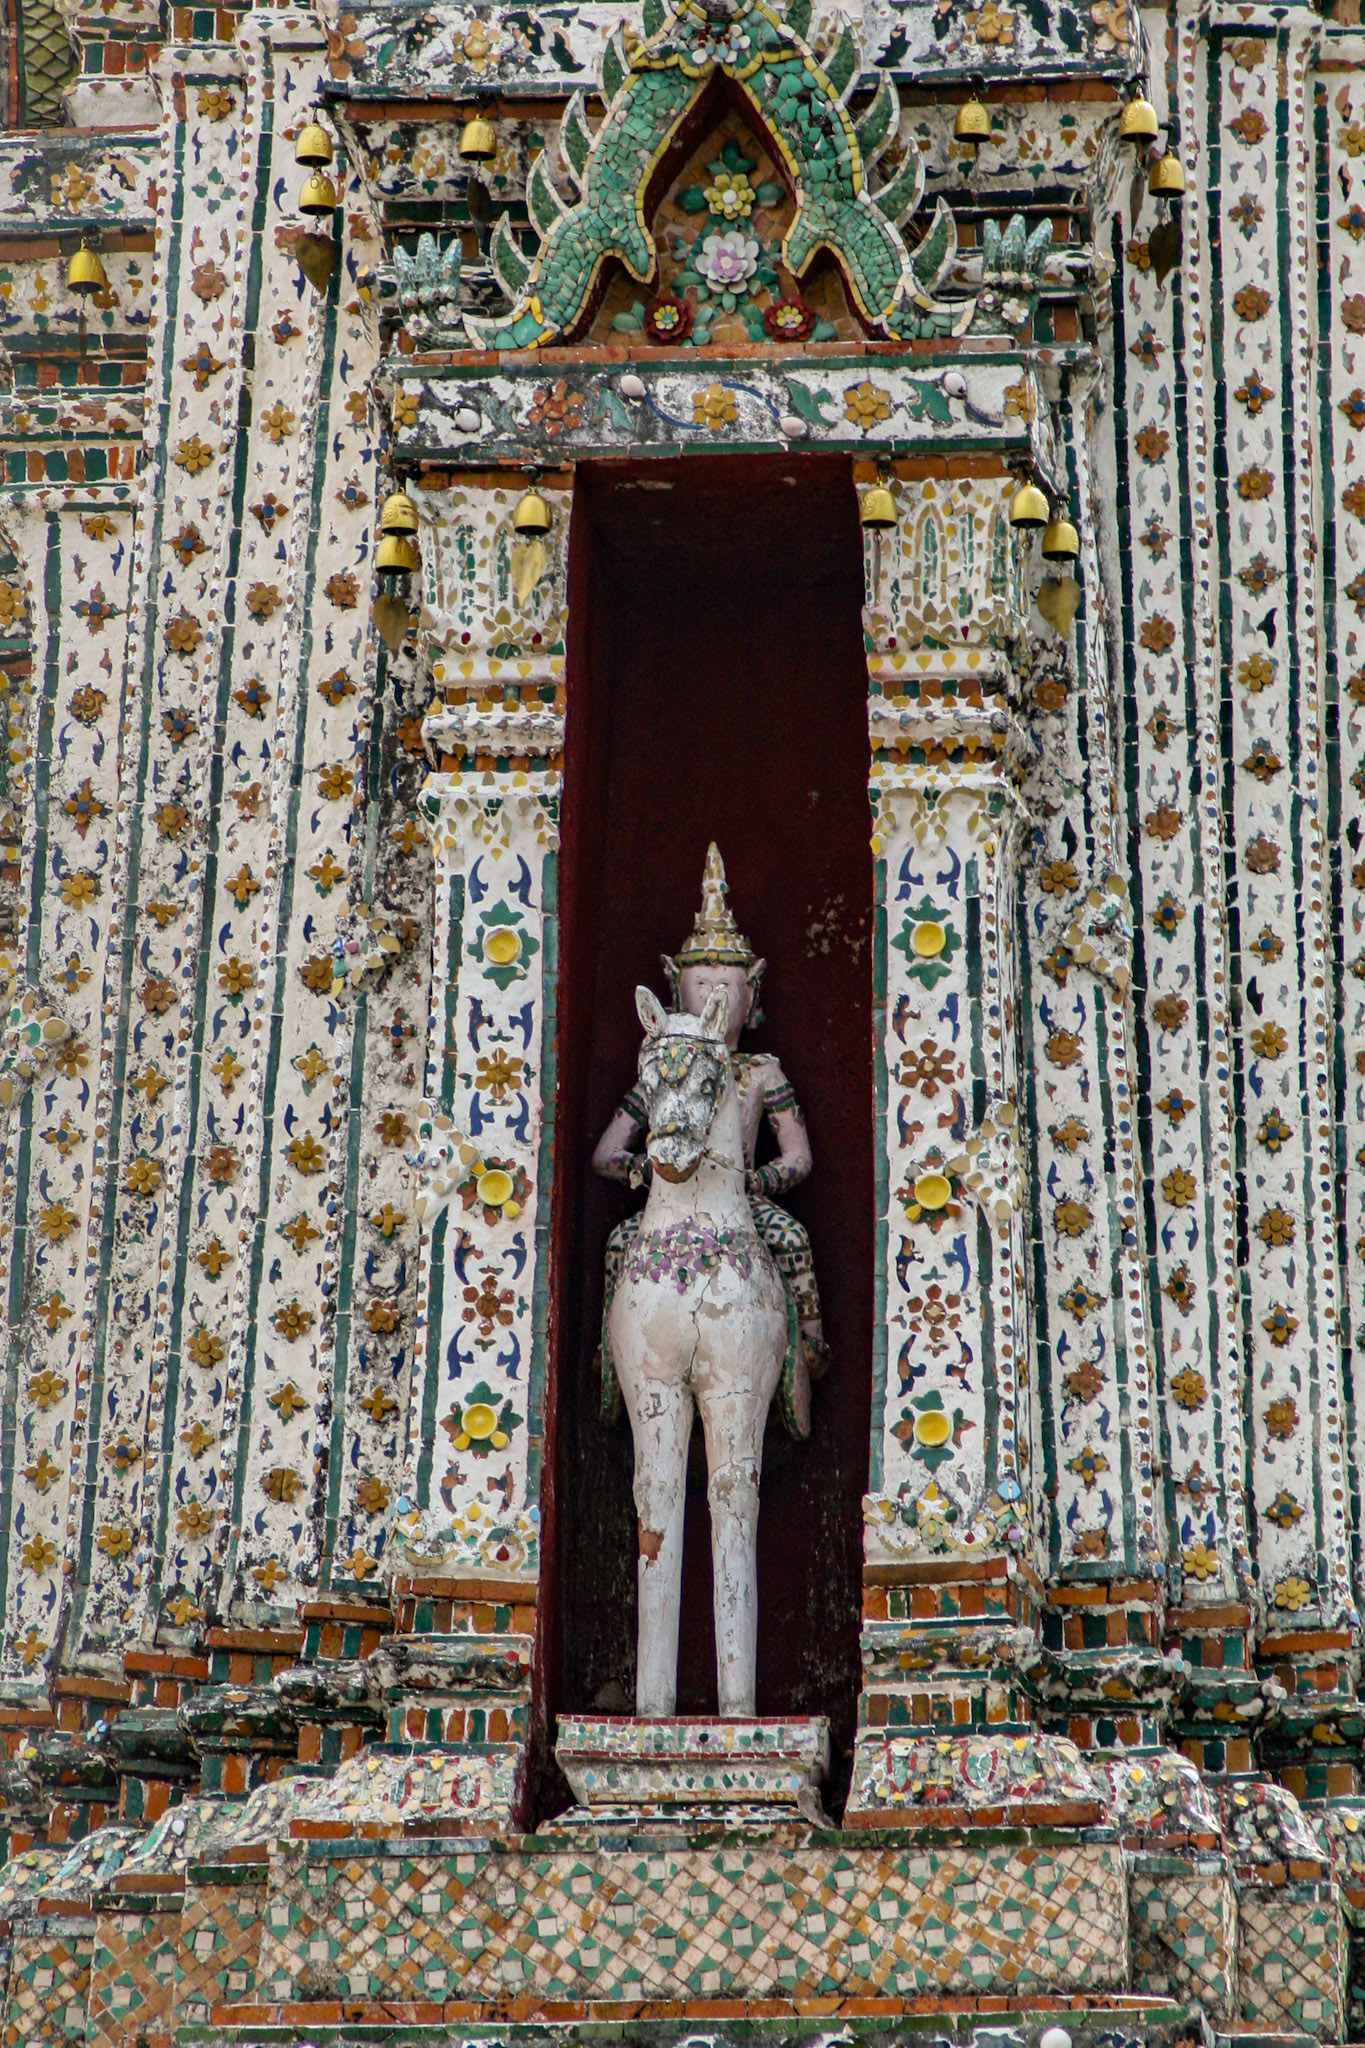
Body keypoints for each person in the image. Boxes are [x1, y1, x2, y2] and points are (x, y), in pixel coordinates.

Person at [592, 843, 828, 1438]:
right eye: (701, 987)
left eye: (725, 989)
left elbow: (798, 1156)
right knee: (619, 1244)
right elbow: (604, 1153)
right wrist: (644, 1171)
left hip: (745, 1202)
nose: (712, 1004)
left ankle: (808, 1347)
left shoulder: (759, 1075)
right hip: (666, 1199)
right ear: (677, 989)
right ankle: (608, 1358)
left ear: (752, 993)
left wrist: (757, 1181)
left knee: (793, 1239)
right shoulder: (665, 1071)